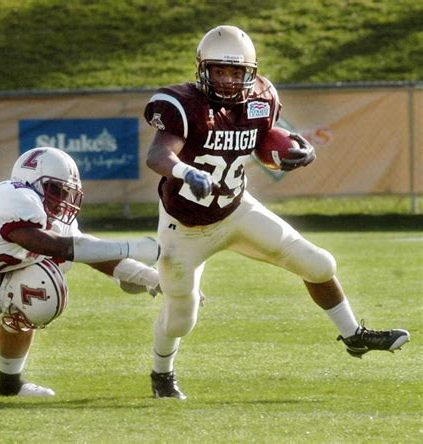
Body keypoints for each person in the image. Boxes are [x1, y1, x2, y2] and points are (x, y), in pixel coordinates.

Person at [144, 25, 410, 399]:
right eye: (219, 70)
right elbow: (158, 154)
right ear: (202, 69)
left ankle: (354, 336)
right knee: (181, 318)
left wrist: (299, 149)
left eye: (236, 72)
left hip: (236, 210)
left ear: (249, 72)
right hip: (184, 225)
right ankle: (162, 374)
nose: (227, 79)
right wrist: (185, 170)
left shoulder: (260, 98)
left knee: (319, 264)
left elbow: (268, 139)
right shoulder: (184, 104)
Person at [0, 147, 161, 397]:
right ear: (31, 181)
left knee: (32, 292)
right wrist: (131, 247)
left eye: (66, 192)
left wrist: (152, 277)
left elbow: (92, 254)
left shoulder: (52, 219)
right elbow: (55, 246)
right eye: (55, 189)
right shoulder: (14, 197)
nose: (62, 199)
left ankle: (10, 383)